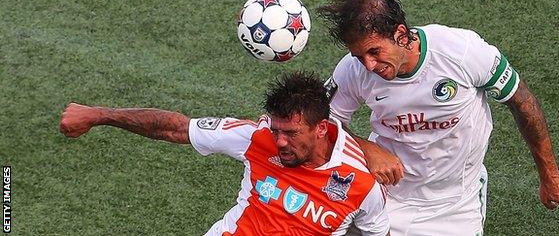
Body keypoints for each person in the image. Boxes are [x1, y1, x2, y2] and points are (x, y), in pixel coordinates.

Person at [317, 0, 559, 235]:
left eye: (375, 52)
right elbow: (323, 121)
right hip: (387, 194)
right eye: (359, 56)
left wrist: (550, 174)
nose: (369, 65)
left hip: (454, 206)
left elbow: (522, 102)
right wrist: (368, 148)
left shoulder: (461, 52)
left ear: (400, 34)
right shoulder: (353, 70)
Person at [59, 72, 390, 236]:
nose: (280, 143)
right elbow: (176, 128)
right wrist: (99, 115)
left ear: (320, 128)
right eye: (277, 131)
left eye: (290, 133)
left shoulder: (360, 184)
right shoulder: (257, 138)